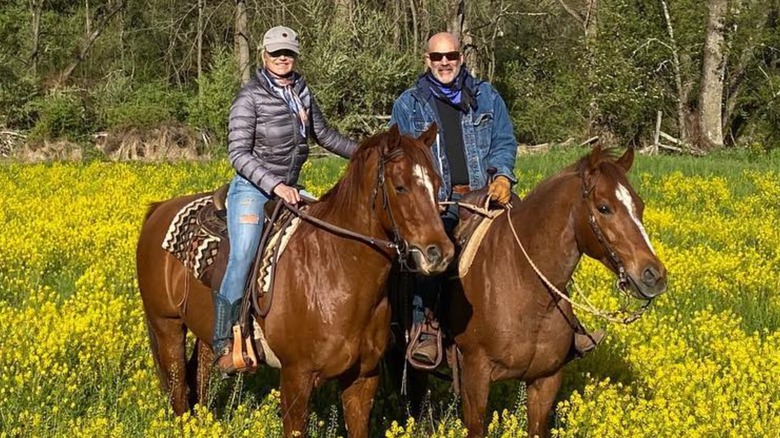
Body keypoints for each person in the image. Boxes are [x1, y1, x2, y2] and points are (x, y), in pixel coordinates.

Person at [390, 32, 602, 366]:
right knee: (431, 251)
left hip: (485, 195)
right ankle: (427, 325)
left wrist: (502, 175)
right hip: (438, 202)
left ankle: (567, 321)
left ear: (461, 58)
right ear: (426, 61)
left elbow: (504, 140)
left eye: (451, 56)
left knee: (541, 240)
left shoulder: (486, 96)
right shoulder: (407, 105)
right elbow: (400, 158)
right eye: (437, 57)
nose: (444, 62)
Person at [213, 25, 357, 375]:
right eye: (276, 53)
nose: (282, 58)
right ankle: (223, 339)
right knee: (244, 253)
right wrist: (275, 185)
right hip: (252, 188)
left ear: (295, 57)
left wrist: (369, 153)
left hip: (291, 186)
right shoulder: (250, 97)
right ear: (264, 55)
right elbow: (238, 154)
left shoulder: (302, 91)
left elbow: (323, 134)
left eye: (288, 53)